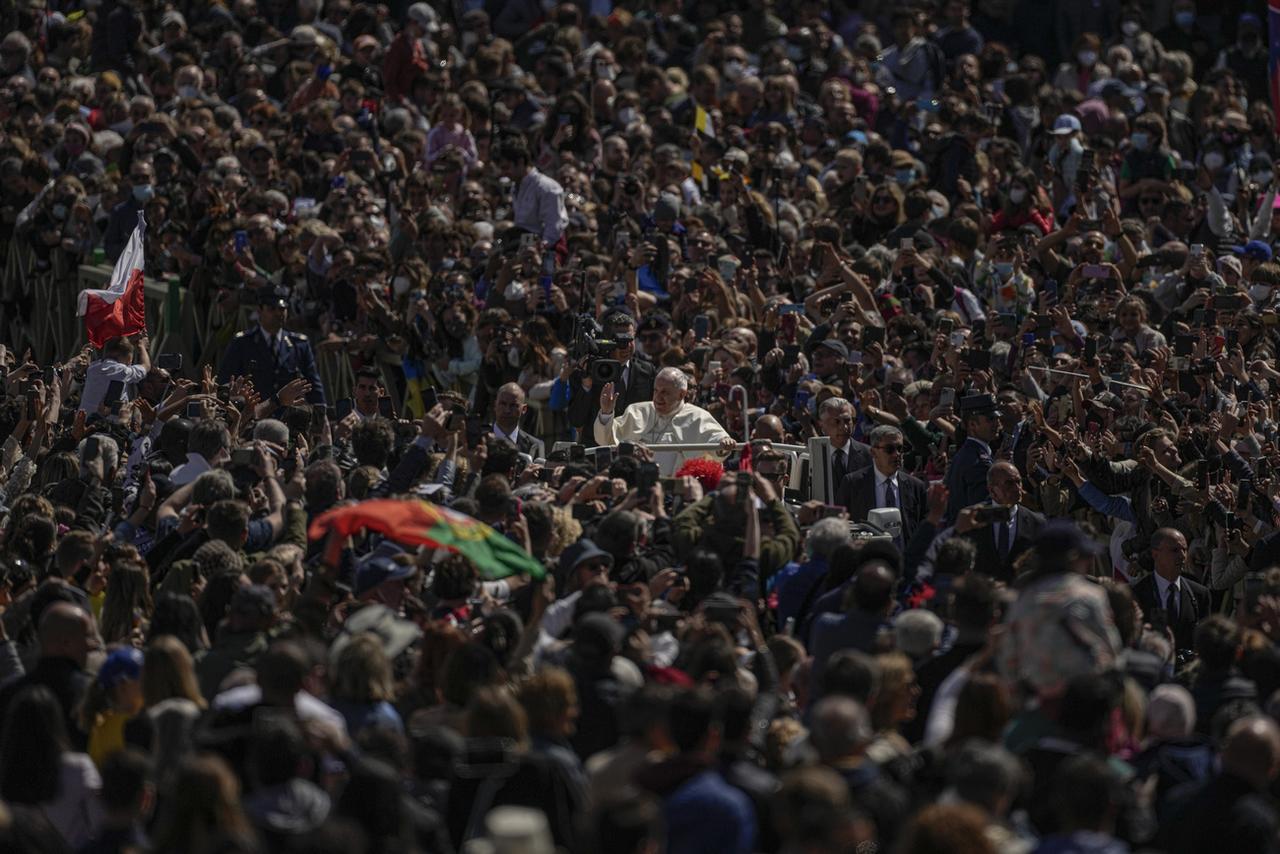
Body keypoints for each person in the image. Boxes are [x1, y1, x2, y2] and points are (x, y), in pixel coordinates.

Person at [594, 367, 736, 473]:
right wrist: (606, 412)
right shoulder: (638, 411)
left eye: (665, 392)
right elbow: (606, 440)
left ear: (682, 394)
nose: (658, 397)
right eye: (656, 390)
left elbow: (717, 442)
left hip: (678, 487)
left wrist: (724, 445)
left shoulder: (697, 416)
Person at [217, 286, 326, 406]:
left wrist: (321, 413)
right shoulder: (242, 343)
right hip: (254, 417)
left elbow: (313, 385)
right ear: (259, 310)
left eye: (282, 308)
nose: (278, 313)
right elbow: (225, 381)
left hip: (288, 417)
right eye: (272, 309)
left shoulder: (299, 344)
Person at [836, 424, 927, 544]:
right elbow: (841, 524)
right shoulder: (853, 483)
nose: (897, 454)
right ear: (873, 452)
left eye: (900, 449)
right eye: (890, 449)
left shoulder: (916, 486)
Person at [1131, 528, 1210, 652]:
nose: (1182, 556)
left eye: (1184, 550)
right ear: (1155, 554)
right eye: (1175, 550)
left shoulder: (1199, 594)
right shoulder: (1137, 594)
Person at [945, 394, 1001, 521]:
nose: (997, 423)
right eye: (990, 419)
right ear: (972, 425)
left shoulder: (970, 453)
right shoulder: (978, 461)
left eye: (998, 418)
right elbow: (981, 511)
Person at [80, 335, 152, 414]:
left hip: (83, 421)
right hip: (108, 423)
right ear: (125, 356)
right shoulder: (122, 371)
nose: (129, 364)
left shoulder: (92, 368)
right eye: (130, 360)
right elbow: (146, 366)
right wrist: (142, 346)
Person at [493, 382, 545, 459]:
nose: (507, 410)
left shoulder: (534, 446)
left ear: (524, 409)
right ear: (495, 405)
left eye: (513, 405)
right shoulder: (480, 439)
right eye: (503, 404)